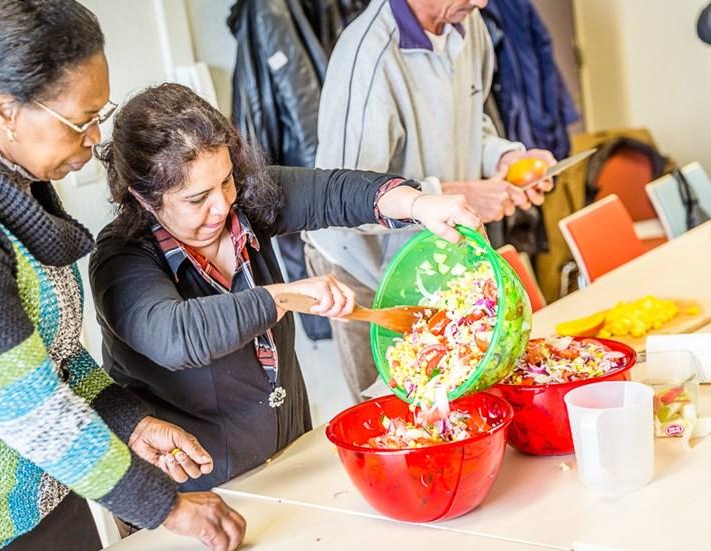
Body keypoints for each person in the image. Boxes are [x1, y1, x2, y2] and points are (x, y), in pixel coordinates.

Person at [0, 2, 243, 550]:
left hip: (40, 494)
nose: (95, 138)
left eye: (99, 114)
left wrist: (130, 422)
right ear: (6, 110)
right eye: (81, 122)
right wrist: (166, 505)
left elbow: (55, 358)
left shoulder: (18, 192)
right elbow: (33, 411)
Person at [89, 82, 481, 491]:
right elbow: (175, 337)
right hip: (196, 494)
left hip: (291, 459)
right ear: (145, 198)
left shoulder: (247, 202)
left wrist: (420, 205)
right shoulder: (120, 260)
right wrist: (284, 296)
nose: (222, 205)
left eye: (226, 181)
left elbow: (335, 193)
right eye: (197, 198)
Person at [303, 0, 557, 402]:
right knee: (396, 411)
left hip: (434, 251)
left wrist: (505, 157)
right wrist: (452, 194)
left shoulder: (468, 25)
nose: (482, 3)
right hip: (363, 271)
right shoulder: (367, 56)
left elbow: (473, 124)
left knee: (459, 399)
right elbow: (340, 199)